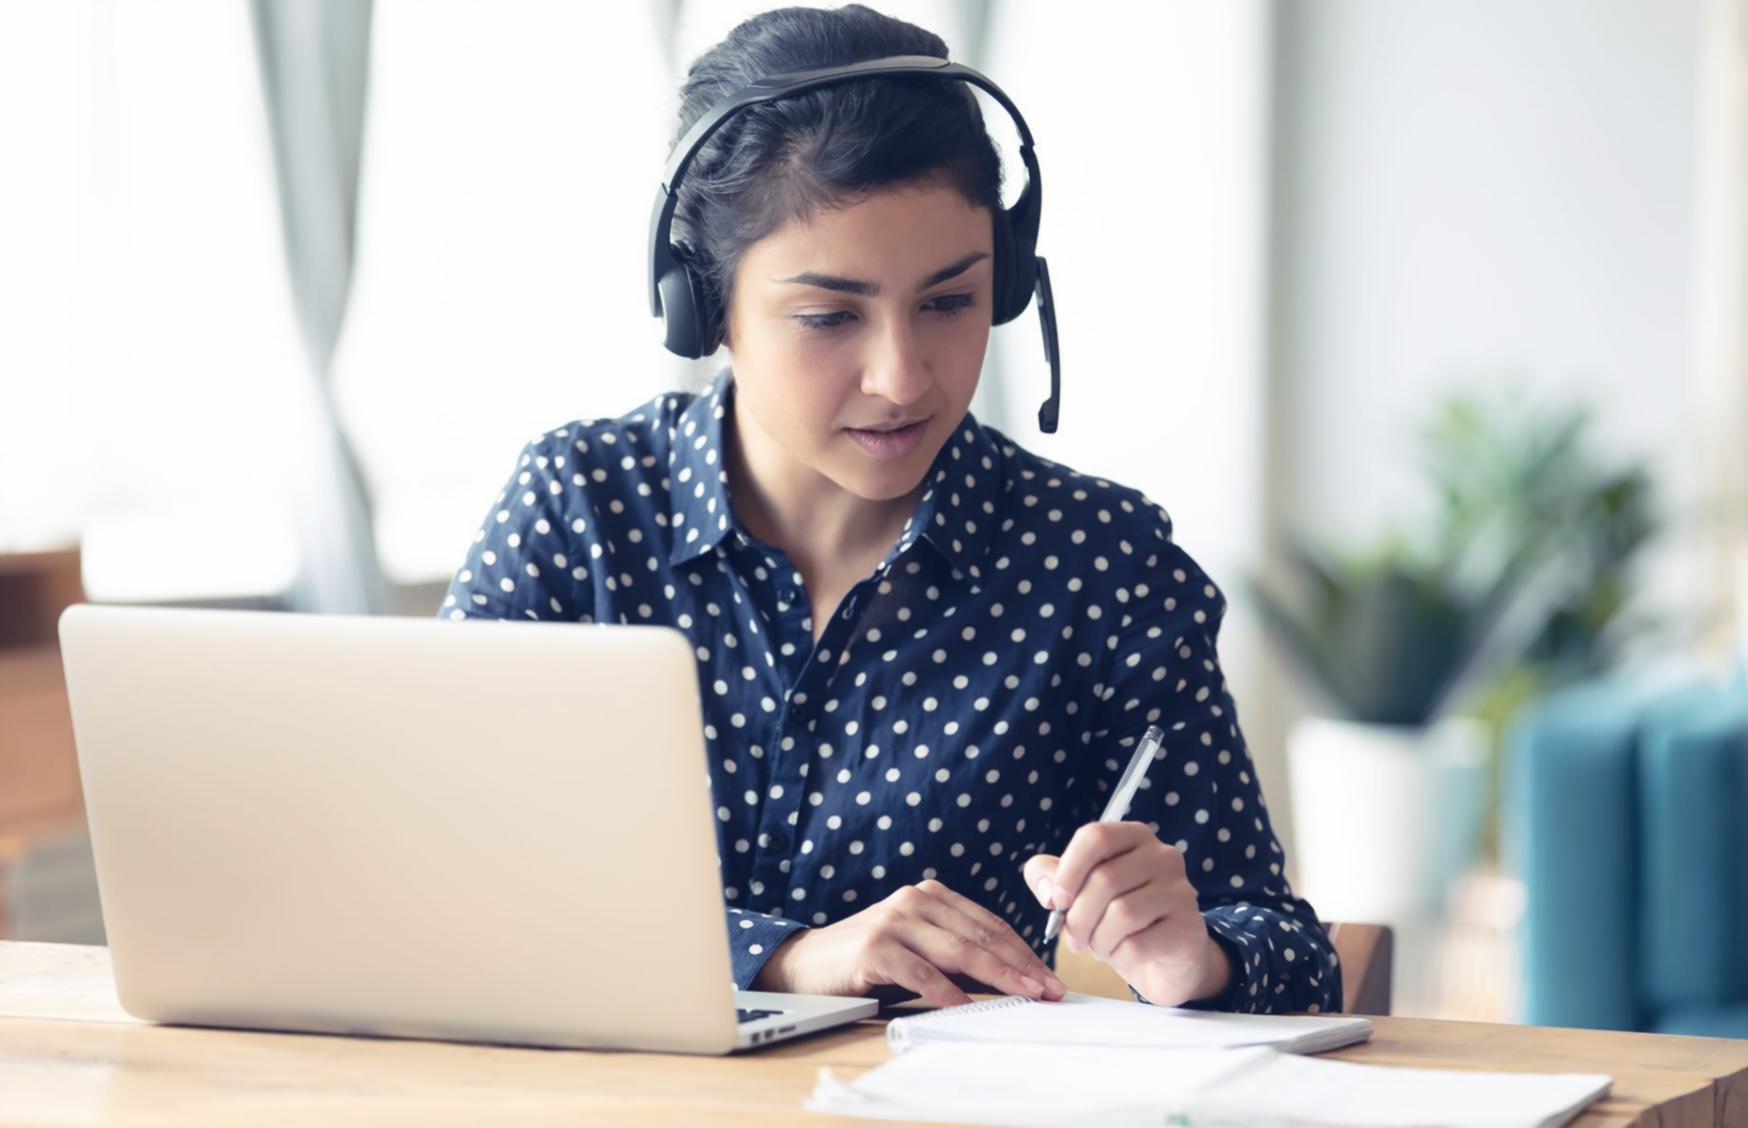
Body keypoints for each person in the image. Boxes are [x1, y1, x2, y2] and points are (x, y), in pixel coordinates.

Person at [440, 3, 1341, 1016]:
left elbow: (1286, 944)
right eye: (829, 316)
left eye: (949, 302)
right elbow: (437, 864)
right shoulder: (580, 512)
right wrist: (785, 956)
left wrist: (1197, 957)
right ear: (702, 305)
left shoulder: (1101, 564)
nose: (900, 375)